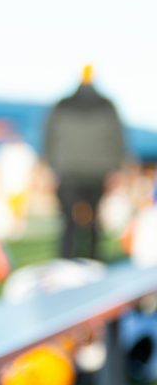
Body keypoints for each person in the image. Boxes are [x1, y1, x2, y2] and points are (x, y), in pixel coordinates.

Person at [44, 65, 127, 259]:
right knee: (93, 224)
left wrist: (51, 165)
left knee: (68, 223)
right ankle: (93, 261)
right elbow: (118, 140)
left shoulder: (62, 105)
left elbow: (49, 138)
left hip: (68, 170)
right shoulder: (107, 105)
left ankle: (65, 260)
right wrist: (115, 168)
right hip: (97, 172)